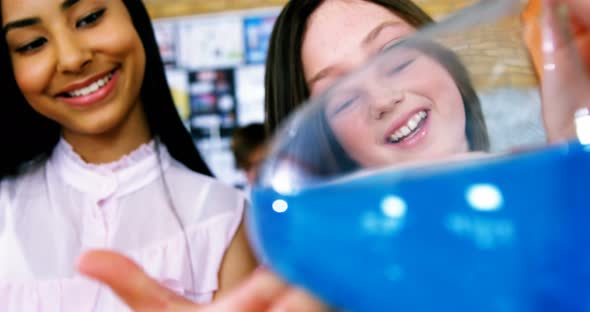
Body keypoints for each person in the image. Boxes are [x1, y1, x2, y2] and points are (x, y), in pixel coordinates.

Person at [73, 0, 590, 310]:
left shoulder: (550, 185)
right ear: (324, 146)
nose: (383, 98)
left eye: (393, 55)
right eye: (338, 96)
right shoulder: (332, 287)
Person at [0, 0, 256, 310]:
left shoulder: (225, 220)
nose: (71, 58)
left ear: (133, 15)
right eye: (32, 44)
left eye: (89, 18)